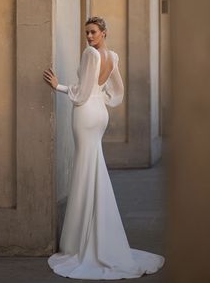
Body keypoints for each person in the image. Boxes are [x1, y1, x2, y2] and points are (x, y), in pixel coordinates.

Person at [43, 16, 165, 280]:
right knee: (93, 168)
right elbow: (118, 91)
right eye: (87, 32)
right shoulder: (113, 56)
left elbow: (82, 92)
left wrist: (59, 87)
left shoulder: (90, 54)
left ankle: (83, 243)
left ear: (103, 33)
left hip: (86, 114)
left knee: (85, 170)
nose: (88, 37)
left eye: (93, 32)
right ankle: (97, 234)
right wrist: (104, 98)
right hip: (100, 114)